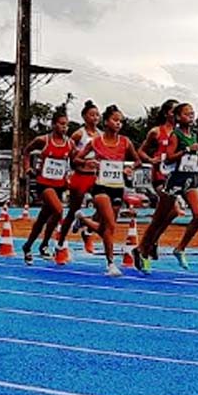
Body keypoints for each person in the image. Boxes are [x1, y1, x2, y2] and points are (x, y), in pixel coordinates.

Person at [135, 102, 198, 272]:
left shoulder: (193, 135)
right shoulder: (168, 134)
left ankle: (179, 248)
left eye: (192, 113)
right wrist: (186, 150)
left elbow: (189, 158)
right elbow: (166, 158)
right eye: (186, 113)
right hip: (169, 179)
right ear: (175, 116)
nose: (190, 116)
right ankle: (142, 249)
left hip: (190, 178)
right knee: (161, 216)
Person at [73, 104, 141, 277]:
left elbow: (138, 161)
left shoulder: (125, 142)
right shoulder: (96, 142)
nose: (119, 124)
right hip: (101, 186)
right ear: (106, 121)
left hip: (118, 187)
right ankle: (111, 264)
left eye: (121, 121)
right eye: (115, 120)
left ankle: (82, 218)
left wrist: (130, 168)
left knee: (104, 228)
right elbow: (77, 159)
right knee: (110, 225)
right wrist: (88, 163)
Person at [21, 108, 74, 265]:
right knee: (58, 211)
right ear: (53, 125)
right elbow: (26, 151)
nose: (64, 127)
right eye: (61, 124)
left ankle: (28, 245)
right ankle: (44, 245)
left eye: (67, 125)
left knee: (43, 218)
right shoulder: (43, 140)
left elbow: (75, 160)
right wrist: (27, 167)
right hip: (44, 184)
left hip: (60, 185)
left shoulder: (70, 144)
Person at [135, 99, 180, 259]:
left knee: (168, 213)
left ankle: (150, 242)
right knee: (173, 210)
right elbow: (141, 151)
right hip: (160, 176)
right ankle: (147, 245)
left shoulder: (180, 133)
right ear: (167, 113)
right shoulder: (156, 131)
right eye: (174, 111)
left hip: (175, 177)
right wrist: (150, 160)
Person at [55, 100, 101, 252]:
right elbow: (69, 153)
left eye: (97, 115)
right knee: (73, 210)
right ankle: (60, 241)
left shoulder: (101, 135)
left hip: (96, 177)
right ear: (84, 117)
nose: (95, 118)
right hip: (80, 176)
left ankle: (87, 229)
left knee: (104, 207)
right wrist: (79, 163)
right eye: (91, 115)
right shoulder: (79, 134)